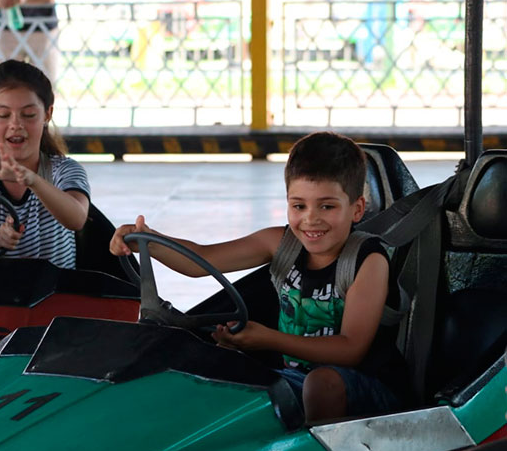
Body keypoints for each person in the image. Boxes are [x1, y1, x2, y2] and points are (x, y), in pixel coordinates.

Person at [109, 132, 409, 422]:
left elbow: (351, 349)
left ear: (357, 209)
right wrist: (147, 241)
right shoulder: (280, 243)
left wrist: (267, 339)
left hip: (366, 388)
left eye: (327, 206)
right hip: (293, 378)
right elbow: (201, 261)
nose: (310, 219)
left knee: (320, 383)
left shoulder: (367, 261)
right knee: (215, 369)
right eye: (299, 206)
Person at [0, 59, 89, 269]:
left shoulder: (64, 170)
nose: (16, 124)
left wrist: (33, 181)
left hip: (59, 288)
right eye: (4, 115)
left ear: (47, 114)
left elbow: (77, 219)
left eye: (28, 115)